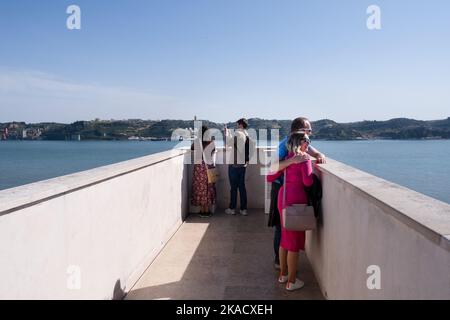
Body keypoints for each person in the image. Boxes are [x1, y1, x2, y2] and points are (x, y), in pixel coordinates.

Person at [269, 117, 326, 270]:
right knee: (282, 227)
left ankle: (283, 268)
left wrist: (319, 155)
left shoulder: (302, 144)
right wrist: (292, 161)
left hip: (288, 192)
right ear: (299, 131)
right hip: (281, 188)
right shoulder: (284, 145)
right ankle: (279, 262)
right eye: (308, 130)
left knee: (287, 228)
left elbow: (313, 151)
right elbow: (271, 168)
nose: (311, 133)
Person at [277, 131, 313, 291]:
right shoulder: (304, 158)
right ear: (301, 142)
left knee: (285, 238)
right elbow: (307, 181)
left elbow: (272, 173)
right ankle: (291, 281)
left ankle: (283, 274)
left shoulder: (288, 157)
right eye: (307, 141)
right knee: (293, 243)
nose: (308, 144)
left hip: (283, 198)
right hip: (295, 201)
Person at [224, 118, 250, 216]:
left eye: (237, 124)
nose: (236, 126)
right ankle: (243, 209)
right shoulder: (246, 134)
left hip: (234, 165)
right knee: (242, 187)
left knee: (234, 188)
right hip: (243, 164)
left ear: (240, 125)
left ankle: (232, 208)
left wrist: (226, 133)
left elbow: (229, 143)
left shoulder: (238, 133)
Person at [191, 125, 217, 217]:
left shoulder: (197, 142)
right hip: (208, 166)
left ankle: (202, 210)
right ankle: (207, 210)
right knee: (208, 188)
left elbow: (192, 148)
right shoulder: (210, 142)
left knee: (200, 187)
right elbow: (213, 150)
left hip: (199, 167)